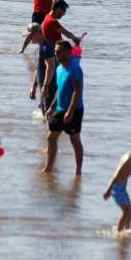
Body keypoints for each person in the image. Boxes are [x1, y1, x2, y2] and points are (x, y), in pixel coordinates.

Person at [43, 41, 83, 175]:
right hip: (60, 109)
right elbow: (59, 90)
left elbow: (77, 91)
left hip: (75, 109)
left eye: (59, 51)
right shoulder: (59, 68)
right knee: (51, 137)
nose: (56, 54)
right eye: (55, 51)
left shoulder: (75, 68)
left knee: (74, 139)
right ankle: (49, 167)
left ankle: (78, 171)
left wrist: (70, 111)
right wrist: (51, 107)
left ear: (67, 52)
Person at [102, 133, 131, 232]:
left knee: (130, 211)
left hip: (122, 188)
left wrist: (125, 188)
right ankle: (119, 233)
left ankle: (126, 230)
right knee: (126, 211)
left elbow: (126, 175)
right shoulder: (128, 159)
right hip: (116, 187)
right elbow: (116, 175)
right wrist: (108, 190)